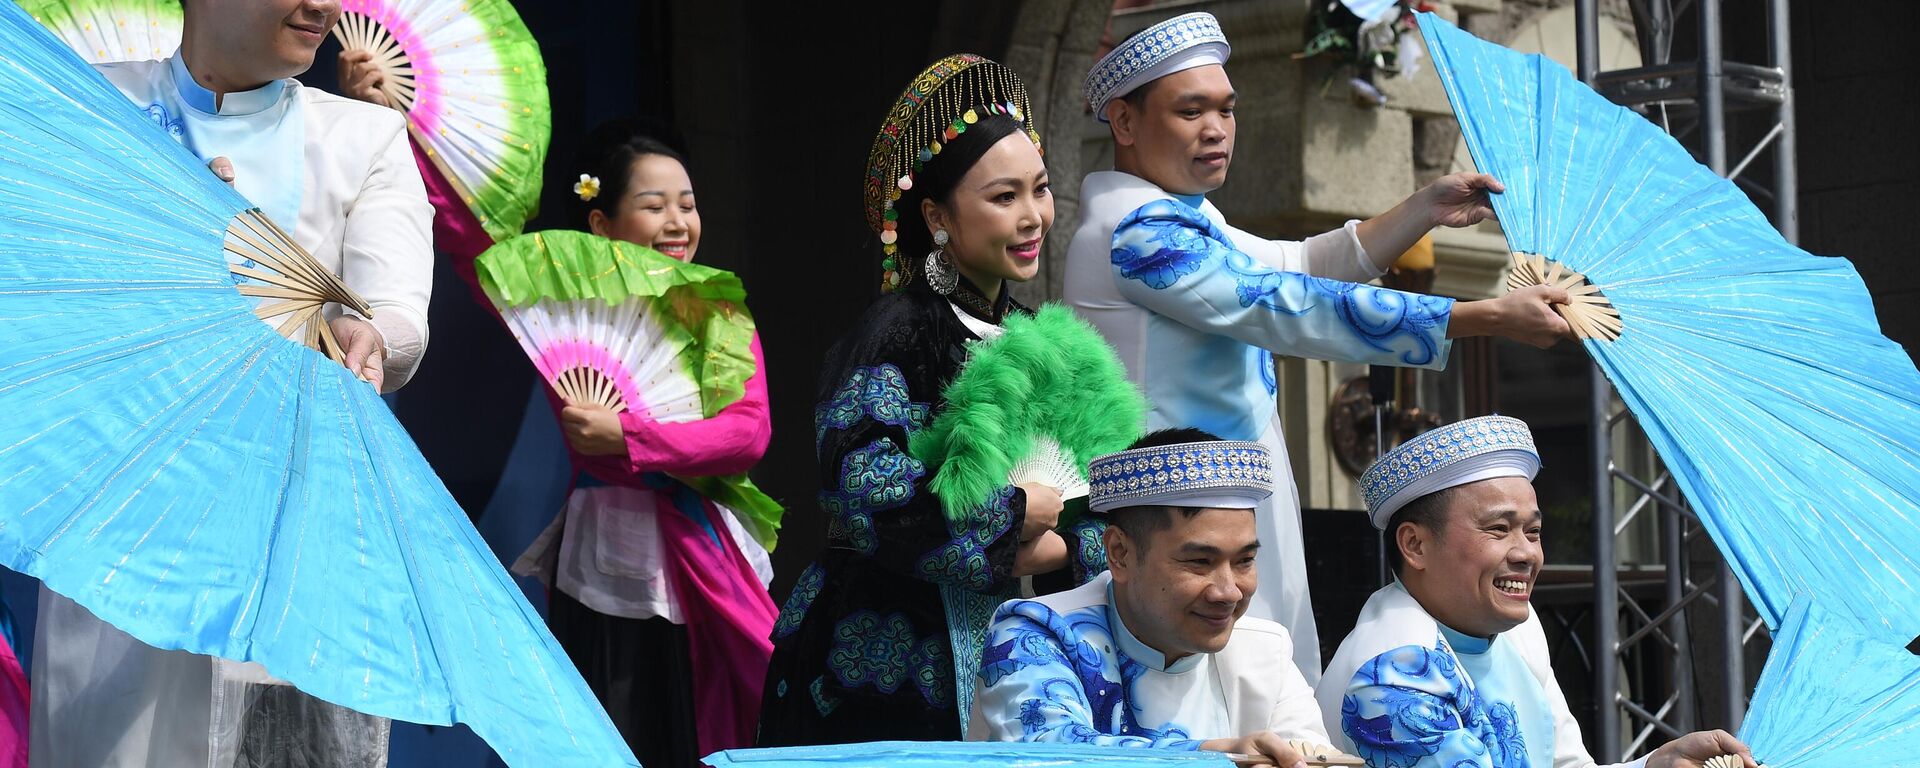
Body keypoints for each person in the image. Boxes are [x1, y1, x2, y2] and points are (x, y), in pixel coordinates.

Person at [1064, 10, 1574, 682]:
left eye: (1225, 108)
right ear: (1125, 124)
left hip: (1230, 498)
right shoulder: (1133, 232)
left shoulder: (1184, 219)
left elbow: (1298, 264)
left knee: (1267, 684)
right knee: (1198, 703)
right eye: (1191, 111)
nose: (1216, 129)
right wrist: (1484, 317)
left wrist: (1424, 208)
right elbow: (1283, 306)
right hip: (1171, 520)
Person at [31, 0, 433, 766]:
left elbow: (395, 313)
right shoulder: (88, 107)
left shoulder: (363, 136)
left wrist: (359, 330)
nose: (322, 7)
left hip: (292, 525)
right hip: (120, 531)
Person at [757, 54, 1113, 746]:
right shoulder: (894, 331)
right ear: (936, 215)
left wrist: (1067, 541)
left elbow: (1096, 492)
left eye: (1039, 190)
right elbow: (863, 486)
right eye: (1003, 197)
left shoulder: (1040, 336)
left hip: (1033, 636)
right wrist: (1017, 515)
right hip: (887, 649)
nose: (1033, 215)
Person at [508, 122, 779, 766]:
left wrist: (629, 435)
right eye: (654, 206)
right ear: (601, 225)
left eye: (686, 204)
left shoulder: (720, 312)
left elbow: (749, 433)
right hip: (606, 554)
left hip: (706, 550)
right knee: (613, 736)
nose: (678, 221)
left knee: (702, 733)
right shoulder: (570, 316)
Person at [1316, 415, 1761, 768]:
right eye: (1499, 529)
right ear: (1415, 545)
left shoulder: (1518, 632)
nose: (1526, 554)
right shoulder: (1391, 678)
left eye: (1533, 531)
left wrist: (1655, 766)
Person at [974, 429, 1353, 768]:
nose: (1228, 591)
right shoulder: (1037, 634)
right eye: (1200, 562)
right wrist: (1222, 757)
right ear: (1120, 553)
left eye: (1244, 561)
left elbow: (1315, 757)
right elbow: (1051, 752)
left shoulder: (1265, 650)